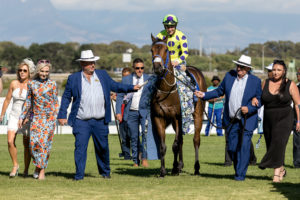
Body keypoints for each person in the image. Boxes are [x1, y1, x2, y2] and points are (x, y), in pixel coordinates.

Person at [57, 50, 140, 180]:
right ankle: (79, 176)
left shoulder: (102, 75)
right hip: (81, 121)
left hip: (100, 121)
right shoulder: (73, 79)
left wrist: (131, 87)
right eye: (90, 62)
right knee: (80, 148)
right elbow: (66, 97)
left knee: (103, 148)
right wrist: (62, 115)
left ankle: (105, 173)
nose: (93, 65)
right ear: (83, 64)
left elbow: (116, 86)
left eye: (93, 62)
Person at [194, 55, 262, 181]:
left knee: (245, 146)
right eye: (238, 65)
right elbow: (219, 91)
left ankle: (240, 175)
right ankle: (239, 169)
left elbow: (259, 99)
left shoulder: (255, 81)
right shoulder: (229, 77)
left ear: (247, 68)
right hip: (231, 120)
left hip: (247, 120)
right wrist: (203, 95)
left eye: (242, 67)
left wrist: (250, 108)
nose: (239, 68)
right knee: (231, 148)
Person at [257, 60, 300, 183]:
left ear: (284, 71)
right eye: (274, 70)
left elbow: (298, 104)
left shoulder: (290, 84)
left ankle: (275, 174)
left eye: (278, 70)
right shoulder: (265, 83)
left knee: (278, 143)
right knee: (272, 144)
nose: (275, 72)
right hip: (268, 118)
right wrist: (255, 100)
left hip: (285, 118)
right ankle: (281, 169)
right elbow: (260, 99)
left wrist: (299, 121)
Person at [18, 59, 59, 180]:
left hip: (49, 119)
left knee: (45, 145)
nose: (44, 74)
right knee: (34, 145)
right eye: (42, 71)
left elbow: (55, 102)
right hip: (36, 119)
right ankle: (37, 167)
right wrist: (22, 117)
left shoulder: (52, 84)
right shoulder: (31, 84)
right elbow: (28, 102)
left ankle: (41, 172)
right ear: (38, 70)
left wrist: (55, 115)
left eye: (47, 71)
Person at [156, 14, 194, 134]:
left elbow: (185, 52)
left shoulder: (181, 36)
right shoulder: (160, 35)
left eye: (172, 26)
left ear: (175, 26)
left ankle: (188, 112)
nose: (170, 28)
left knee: (186, 87)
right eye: (167, 26)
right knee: (150, 86)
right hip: (163, 67)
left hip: (178, 65)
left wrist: (177, 61)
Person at [0, 58, 35, 177]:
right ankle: (15, 165)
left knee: (27, 145)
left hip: (27, 118)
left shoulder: (32, 84)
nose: (22, 72)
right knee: (10, 141)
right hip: (14, 116)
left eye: (25, 70)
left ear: (29, 72)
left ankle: (26, 170)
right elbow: (7, 100)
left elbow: (34, 103)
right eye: (20, 70)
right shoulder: (13, 83)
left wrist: (28, 116)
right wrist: (2, 114)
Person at [116, 58, 150, 167]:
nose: (140, 70)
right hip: (131, 113)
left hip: (144, 112)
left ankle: (144, 158)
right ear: (133, 68)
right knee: (134, 138)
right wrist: (118, 112)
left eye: (142, 68)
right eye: (137, 68)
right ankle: (136, 161)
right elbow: (120, 96)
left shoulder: (149, 79)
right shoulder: (126, 80)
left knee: (145, 136)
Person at [117, 67, 132, 160]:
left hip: (131, 114)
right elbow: (119, 99)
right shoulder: (121, 87)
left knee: (132, 136)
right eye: (124, 76)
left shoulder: (134, 87)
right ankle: (126, 155)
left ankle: (137, 154)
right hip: (122, 115)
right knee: (124, 136)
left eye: (127, 76)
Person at [293, 68, 300, 168]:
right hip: (297, 118)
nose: (298, 76)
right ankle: (297, 163)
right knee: (297, 142)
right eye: (297, 74)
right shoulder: (295, 87)